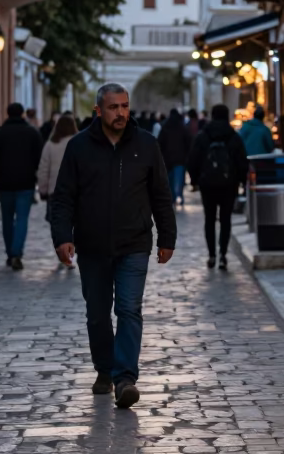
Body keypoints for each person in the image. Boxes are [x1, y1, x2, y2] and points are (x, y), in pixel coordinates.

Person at [50, 82, 176, 409]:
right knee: (97, 314)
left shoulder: (146, 145)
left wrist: (167, 236)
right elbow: (63, 197)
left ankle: (125, 378)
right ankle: (104, 369)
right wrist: (62, 237)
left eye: (124, 106)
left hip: (134, 242)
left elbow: (161, 194)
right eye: (113, 107)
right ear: (98, 110)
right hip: (91, 246)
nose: (120, 113)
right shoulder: (79, 147)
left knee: (129, 309)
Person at [188, 104, 247, 271]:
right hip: (229, 184)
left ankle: (211, 254)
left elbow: (193, 159)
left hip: (207, 185)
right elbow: (241, 161)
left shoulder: (203, 136)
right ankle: (223, 255)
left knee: (209, 219)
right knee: (225, 219)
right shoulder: (233, 137)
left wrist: (195, 180)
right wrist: (242, 181)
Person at [0, 103, 43, 271]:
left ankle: (10, 253)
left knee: (7, 219)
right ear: (23, 114)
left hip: (5, 183)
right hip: (26, 182)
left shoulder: (0, 133)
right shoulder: (32, 133)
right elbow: (39, 158)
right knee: (22, 219)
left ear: (7, 114)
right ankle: (17, 252)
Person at [37, 113, 78, 260]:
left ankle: (62, 249)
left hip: (55, 190)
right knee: (75, 220)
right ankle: (71, 246)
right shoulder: (79, 143)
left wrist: (42, 190)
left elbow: (43, 169)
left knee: (57, 221)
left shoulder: (50, 144)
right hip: (77, 190)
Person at [157, 109, 190, 208]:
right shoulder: (183, 128)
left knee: (170, 180)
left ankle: (172, 198)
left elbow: (159, 143)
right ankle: (180, 196)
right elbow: (188, 143)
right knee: (179, 180)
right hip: (180, 159)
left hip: (167, 159)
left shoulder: (165, 127)